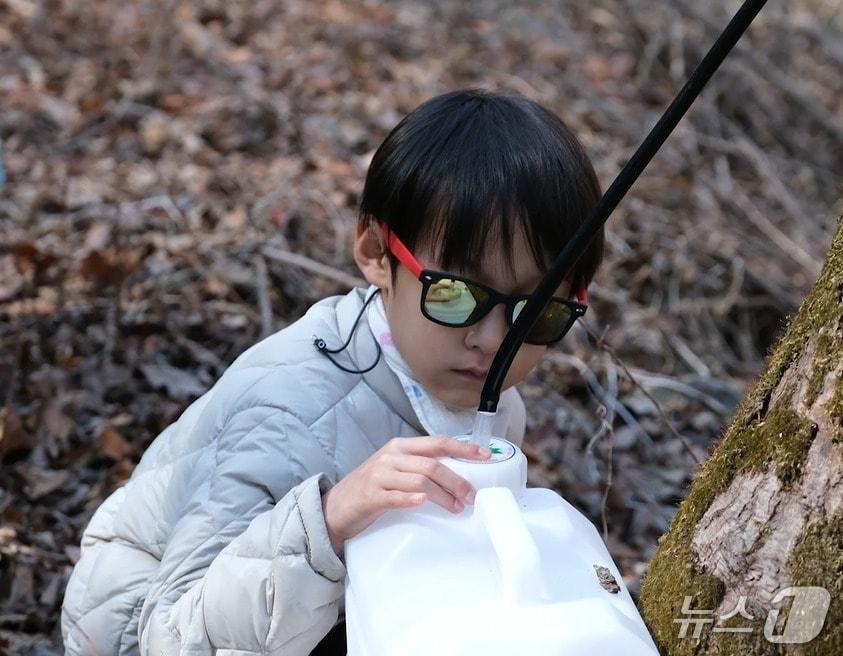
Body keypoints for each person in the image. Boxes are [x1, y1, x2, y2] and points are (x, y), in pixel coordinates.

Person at [60, 88, 604, 655]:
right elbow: (167, 637)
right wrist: (329, 521)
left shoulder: (490, 398)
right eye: (453, 295)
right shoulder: (293, 410)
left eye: (536, 312)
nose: (493, 340)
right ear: (375, 252)